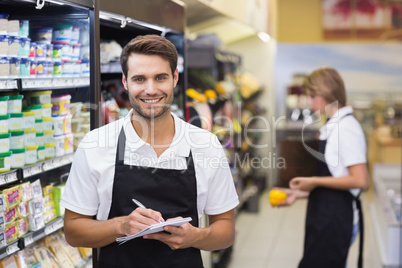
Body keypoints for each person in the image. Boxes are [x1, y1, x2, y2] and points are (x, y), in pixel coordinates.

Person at [60, 34, 239, 267]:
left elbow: (226, 230)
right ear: (125, 82)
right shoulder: (96, 144)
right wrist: (121, 226)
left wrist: (195, 237)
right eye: (140, 79)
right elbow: (73, 231)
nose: (151, 89)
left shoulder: (206, 145)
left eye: (160, 77)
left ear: (175, 78)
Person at [276, 67, 369, 268]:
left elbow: (360, 180)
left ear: (328, 93)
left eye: (312, 96)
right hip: (325, 212)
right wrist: (298, 194)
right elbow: (338, 178)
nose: (309, 103)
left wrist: (313, 181)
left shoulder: (346, 128)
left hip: (336, 218)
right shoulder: (334, 126)